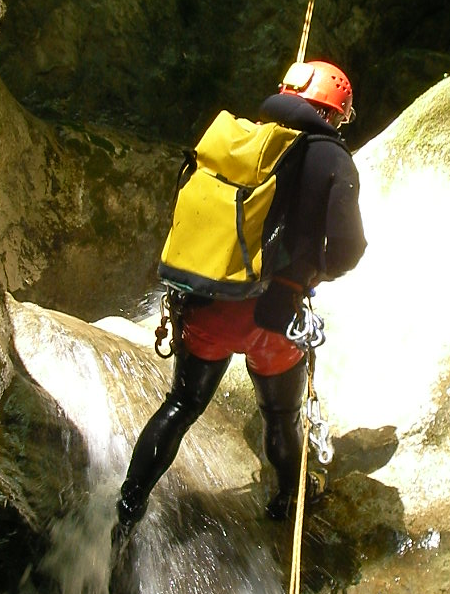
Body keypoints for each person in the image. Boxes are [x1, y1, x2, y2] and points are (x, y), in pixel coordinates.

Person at [112, 59, 366, 552]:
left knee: (181, 406)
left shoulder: (243, 142)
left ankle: (128, 509)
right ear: (333, 113)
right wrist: (310, 274)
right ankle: (288, 499)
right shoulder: (332, 158)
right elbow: (349, 250)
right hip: (276, 319)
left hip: (209, 307)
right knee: (280, 417)